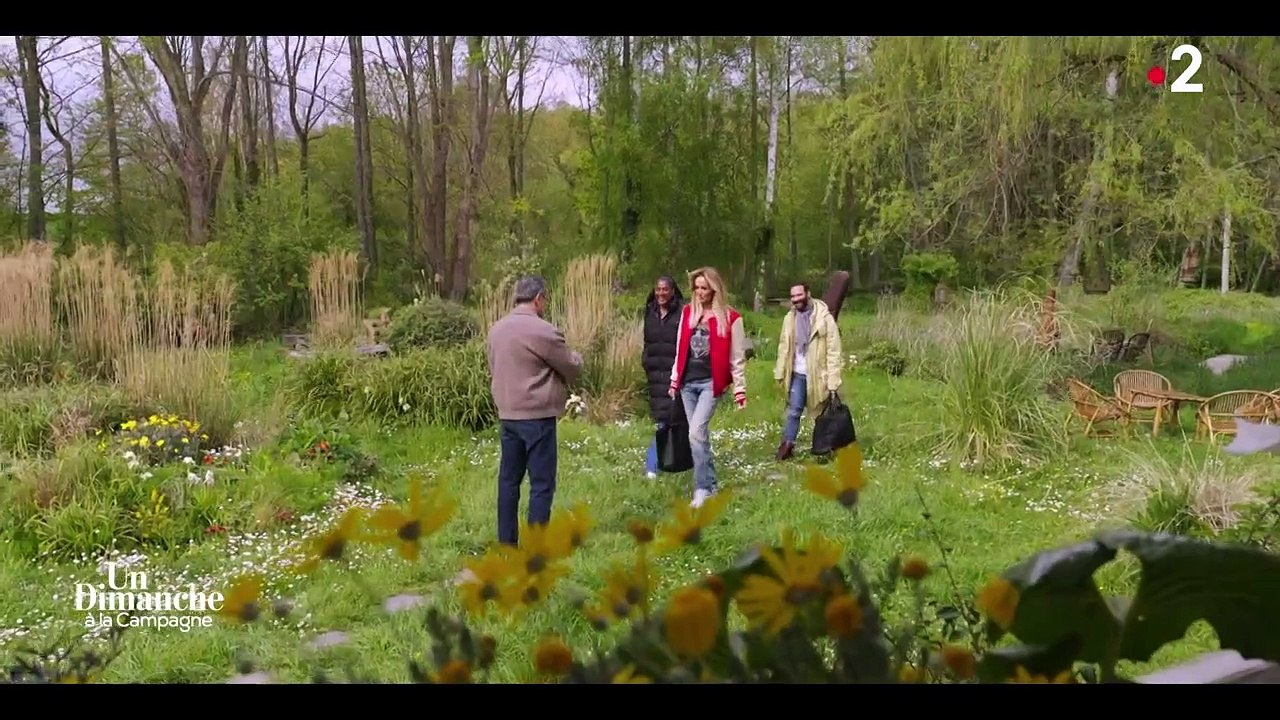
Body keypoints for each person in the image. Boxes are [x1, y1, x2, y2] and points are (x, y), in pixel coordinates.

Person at [486, 276, 583, 546]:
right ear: (539, 298)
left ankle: (507, 544)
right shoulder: (543, 330)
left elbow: (494, 368)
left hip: (508, 414)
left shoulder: (496, 330)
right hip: (537, 416)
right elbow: (569, 366)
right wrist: (579, 359)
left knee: (508, 482)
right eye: (545, 299)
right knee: (541, 485)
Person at [668, 266, 748, 507]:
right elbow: (679, 347)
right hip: (687, 383)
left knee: (696, 433)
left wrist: (740, 389)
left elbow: (738, 356)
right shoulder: (687, 313)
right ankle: (711, 485)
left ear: (715, 290)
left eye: (705, 288)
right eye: (697, 287)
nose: (700, 292)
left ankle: (702, 488)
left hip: (710, 384)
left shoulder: (731, 318)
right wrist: (674, 379)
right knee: (698, 437)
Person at [773, 282, 844, 460]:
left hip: (819, 375)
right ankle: (787, 446)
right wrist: (780, 372)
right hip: (797, 373)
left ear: (808, 294)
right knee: (794, 410)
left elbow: (834, 350)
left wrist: (833, 380)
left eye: (799, 295)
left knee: (820, 413)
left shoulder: (824, 318)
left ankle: (824, 448)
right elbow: (784, 347)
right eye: (793, 297)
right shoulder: (789, 319)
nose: (796, 300)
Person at [642, 275, 686, 478]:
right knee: (663, 418)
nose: (661, 293)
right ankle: (666, 461)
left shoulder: (682, 313)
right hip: (654, 373)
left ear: (672, 291)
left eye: (665, 289)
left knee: (668, 419)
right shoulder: (649, 312)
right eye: (658, 289)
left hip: (673, 372)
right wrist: (646, 361)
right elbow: (647, 341)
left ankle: (653, 464)